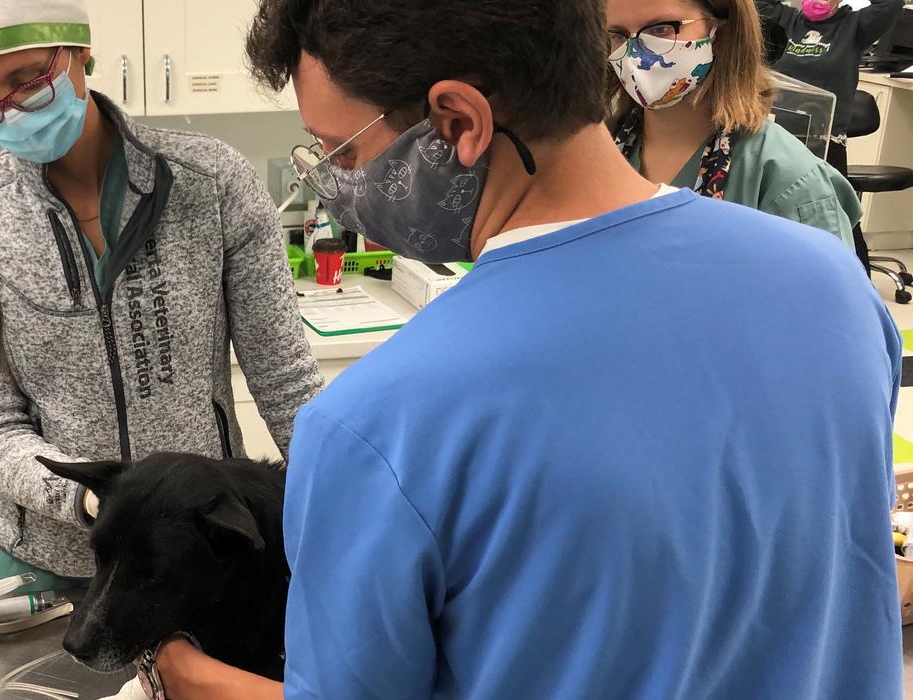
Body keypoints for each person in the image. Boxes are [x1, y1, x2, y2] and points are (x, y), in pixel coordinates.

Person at [153, 0, 902, 697]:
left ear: (458, 123)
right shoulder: (832, 283)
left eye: (339, 152)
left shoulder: (374, 427)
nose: (336, 185)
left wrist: (190, 676)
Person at [0, 0, 322, 591]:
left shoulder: (210, 185)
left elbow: (285, 379)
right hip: (52, 562)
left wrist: (336, 502)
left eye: (26, 80)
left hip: (201, 550)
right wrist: (85, 496)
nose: (10, 111)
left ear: (81, 53)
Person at [607, 0, 863, 250]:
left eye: (660, 29)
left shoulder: (790, 181)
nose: (634, 54)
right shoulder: (606, 148)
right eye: (618, 35)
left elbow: (827, 289)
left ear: (721, 34)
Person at [760, 0, 902, 268]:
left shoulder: (855, 26)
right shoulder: (786, 21)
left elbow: (890, 4)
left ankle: (857, 284)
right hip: (778, 137)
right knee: (772, 218)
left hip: (825, 144)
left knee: (839, 220)